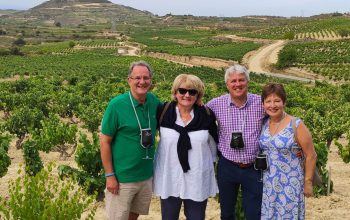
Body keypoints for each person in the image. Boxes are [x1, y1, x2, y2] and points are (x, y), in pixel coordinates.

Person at [100, 60, 161, 220]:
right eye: (137, 78)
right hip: (122, 179)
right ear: (129, 80)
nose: (142, 82)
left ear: (151, 80)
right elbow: (105, 141)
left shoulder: (153, 102)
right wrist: (110, 175)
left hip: (146, 176)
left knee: (134, 216)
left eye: (146, 78)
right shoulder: (116, 105)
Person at [153, 74, 219, 220]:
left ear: (198, 95)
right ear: (175, 93)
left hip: (197, 178)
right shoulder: (164, 112)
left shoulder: (206, 115)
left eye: (192, 91)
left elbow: (213, 144)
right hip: (169, 177)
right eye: (182, 91)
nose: (187, 95)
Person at [206, 64, 265, 220]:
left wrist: (296, 143)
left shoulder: (261, 103)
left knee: (254, 213)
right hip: (227, 166)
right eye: (233, 81)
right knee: (226, 213)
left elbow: (281, 118)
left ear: (247, 82)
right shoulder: (215, 104)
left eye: (241, 80)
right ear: (227, 84)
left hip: (254, 167)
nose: (237, 84)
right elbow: (197, 114)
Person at [259, 83, 317, 219]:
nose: (272, 105)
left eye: (277, 101)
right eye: (268, 101)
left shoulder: (296, 124)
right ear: (263, 104)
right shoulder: (264, 123)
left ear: (284, 102)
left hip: (290, 184)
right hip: (269, 184)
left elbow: (311, 155)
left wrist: (308, 182)